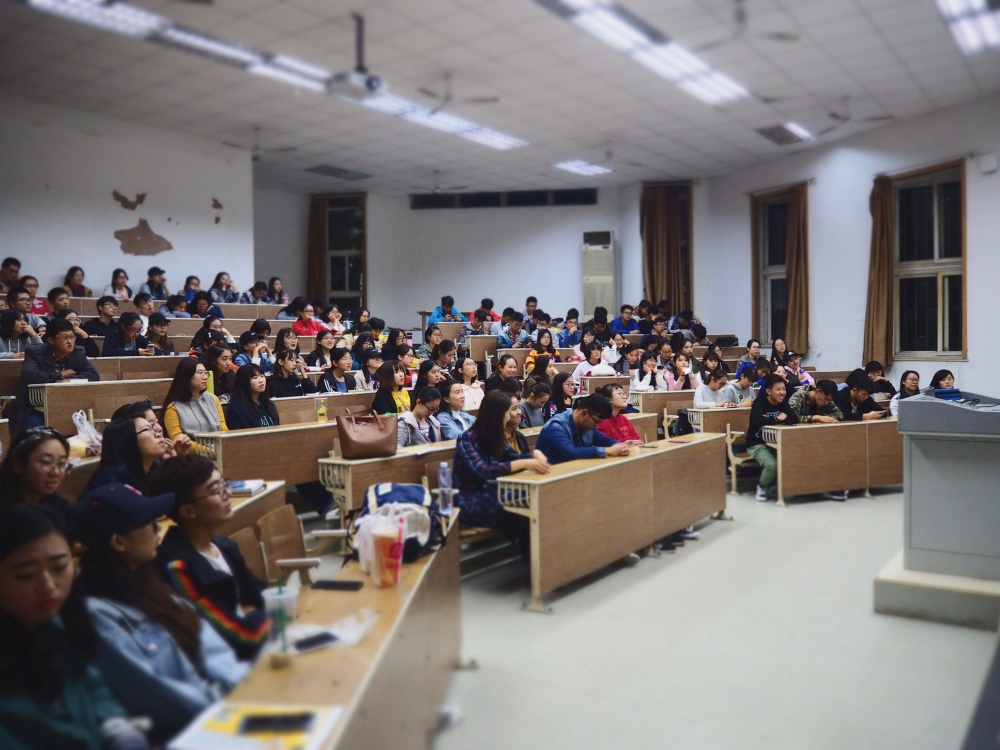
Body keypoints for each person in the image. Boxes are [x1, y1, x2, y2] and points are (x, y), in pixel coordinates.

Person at [75, 482, 249, 743]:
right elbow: (160, 696)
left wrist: (246, 685)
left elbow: (209, 647)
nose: (159, 529)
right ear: (118, 541)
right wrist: (231, 701)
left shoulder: (150, 583)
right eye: (149, 523)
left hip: (225, 709)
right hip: (191, 731)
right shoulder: (98, 615)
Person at [0, 503, 152, 750]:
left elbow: (91, 685)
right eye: (26, 574)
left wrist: (117, 728)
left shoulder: (57, 623)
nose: (48, 586)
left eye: (60, 567)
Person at [150, 456, 269, 661]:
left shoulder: (224, 546)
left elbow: (265, 596)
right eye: (216, 490)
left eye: (224, 484)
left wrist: (254, 613)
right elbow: (243, 638)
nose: (228, 493)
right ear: (188, 510)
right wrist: (254, 614)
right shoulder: (178, 568)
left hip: (259, 650)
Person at [452, 390, 550, 552]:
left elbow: (515, 458)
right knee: (522, 512)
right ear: (497, 415)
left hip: (492, 491)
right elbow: (484, 470)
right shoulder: (467, 439)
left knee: (536, 501)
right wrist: (526, 462)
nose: (509, 416)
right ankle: (534, 558)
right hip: (469, 499)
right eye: (508, 412)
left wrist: (534, 454)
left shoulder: (496, 436)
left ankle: (542, 555)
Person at [10, 319, 100, 432]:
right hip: (35, 407)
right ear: (51, 340)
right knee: (40, 431)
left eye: (72, 337)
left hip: (69, 406)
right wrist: (60, 375)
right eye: (64, 338)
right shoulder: (35, 353)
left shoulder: (78, 352)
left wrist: (66, 378)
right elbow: (30, 375)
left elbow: (93, 375)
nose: (70, 341)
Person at [746, 373, 800, 501]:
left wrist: (772, 419)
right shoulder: (760, 402)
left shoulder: (783, 402)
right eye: (778, 389)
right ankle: (762, 486)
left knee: (793, 459)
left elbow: (794, 418)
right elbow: (758, 420)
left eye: (784, 389)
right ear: (769, 391)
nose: (782, 393)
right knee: (772, 465)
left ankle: (781, 486)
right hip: (757, 444)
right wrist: (777, 418)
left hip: (777, 442)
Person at [536, 393, 630, 464]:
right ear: (584, 413)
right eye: (596, 422)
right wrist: (608, 451)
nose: (597, 426)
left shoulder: (587, 425)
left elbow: (604, 440)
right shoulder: (556, 427)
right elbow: (572, 452)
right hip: (549, 477)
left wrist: (620, 446)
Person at [0, 427, 73, 517]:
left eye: (61, 463)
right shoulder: (8, 515)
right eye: (46, 462)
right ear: (17, 465)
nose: (56, 472)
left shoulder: (53, 502)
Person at [162, 358, 228, 442]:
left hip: (219, 446)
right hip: (195, 449)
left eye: (205, 373)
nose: (205, 377)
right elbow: (178, 440)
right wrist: (210, 449)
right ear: (187, 376)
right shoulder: (173, 407)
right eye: (200, 373)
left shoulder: (213, 399)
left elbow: (224, 430)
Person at [225, 364, 279, 429]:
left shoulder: (268, 404)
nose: (261, 380)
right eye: (255, 378)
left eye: (262, 376)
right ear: (244, 382)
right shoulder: (237, 408)